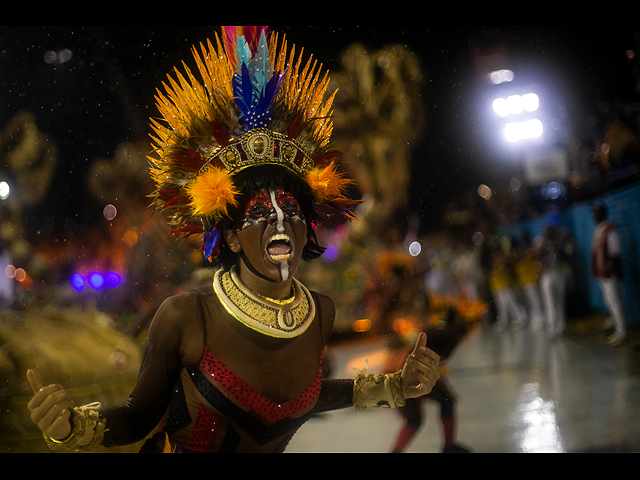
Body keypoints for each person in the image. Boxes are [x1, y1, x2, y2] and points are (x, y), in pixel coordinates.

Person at [26, 26, 440, 453]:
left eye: (292, 211)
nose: (280, 222)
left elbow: (301, 396)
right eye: (260, 213)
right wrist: (71, 427)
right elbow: (137, 418)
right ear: (231, 237)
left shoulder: (319, 312)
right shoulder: (185, 317)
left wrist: (396, 386)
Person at [591, 203, 627, 346]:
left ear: (603, 213)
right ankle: (617, 327)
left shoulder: (610, 229)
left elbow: (615, 253)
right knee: (609, 301)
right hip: (603, 274)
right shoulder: (600, 229)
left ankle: (622, 331)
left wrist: (609, 270)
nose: (593, 216)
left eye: (595, 213)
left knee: (615, 302)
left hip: (610, 274)